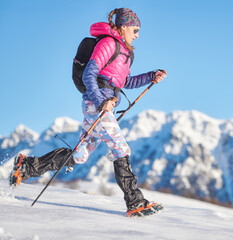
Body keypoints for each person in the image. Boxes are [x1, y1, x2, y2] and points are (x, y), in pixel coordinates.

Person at [10, 8, 166, 217]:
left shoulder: (127, 52)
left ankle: (27, 167)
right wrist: (101, 102)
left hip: (102, 104)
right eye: (135, 29)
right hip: (97, 105)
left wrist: (150, 77)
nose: (138, 34)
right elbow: (89, 75)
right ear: (123, 26)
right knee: (120, 148)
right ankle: (135, 202)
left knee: (80, 155)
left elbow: (125, 81)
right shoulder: (108, 43)